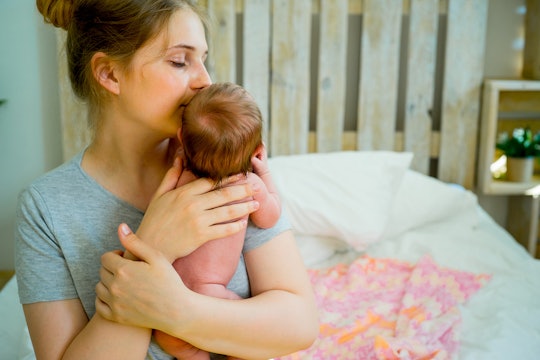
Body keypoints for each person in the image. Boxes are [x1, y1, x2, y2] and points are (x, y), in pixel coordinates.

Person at [15, 1, 318, 359]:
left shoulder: (222, 162)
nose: (205, 80)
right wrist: (152, 247)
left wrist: (178, 311)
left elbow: (300, 325)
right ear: (110, 74)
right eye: (179, 61)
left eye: (204, 59)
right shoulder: (45, 209)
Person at [153, 82, 282, 359]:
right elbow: (271, 217)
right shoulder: (249, 186)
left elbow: (157, 207)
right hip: (212, 293)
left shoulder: (180, 177)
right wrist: (265, 173)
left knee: (172, 339)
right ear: (257, 150)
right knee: (250, 340)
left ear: (180, 139)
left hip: (170, 291)